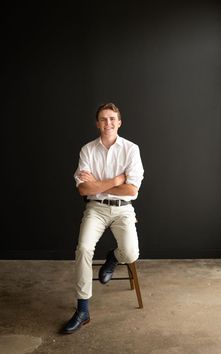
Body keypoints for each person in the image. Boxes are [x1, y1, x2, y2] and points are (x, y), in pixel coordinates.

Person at [62, 102, 144, 334]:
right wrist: (116, 181)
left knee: (130, 253)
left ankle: (113, 257)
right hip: (95, 209)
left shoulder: (131, 149)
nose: (108, 123)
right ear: (97, 123)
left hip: (123, 209)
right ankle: (83, 310)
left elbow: (132, 191)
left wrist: (97, 185)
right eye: (103, 119)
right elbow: (83, 190)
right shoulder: (87, 150)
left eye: (112, 119)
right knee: (84, 249)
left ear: (119, 122)